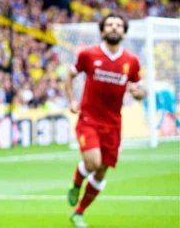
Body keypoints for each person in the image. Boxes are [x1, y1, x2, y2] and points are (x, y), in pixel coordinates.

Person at [65, 13, 145, 228]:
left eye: (119, 25)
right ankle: (76, 182)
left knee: (102, 171)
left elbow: (139, 88)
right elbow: (69, 75)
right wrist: (72, 100)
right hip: (89, 119)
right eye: (109, 24)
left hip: (113, 124)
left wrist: (139, 93)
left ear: (124, 32)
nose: (114, 28)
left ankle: (79, 213)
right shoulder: (88, 55)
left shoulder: (132, 61)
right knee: (93, 163)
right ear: (102, 30)